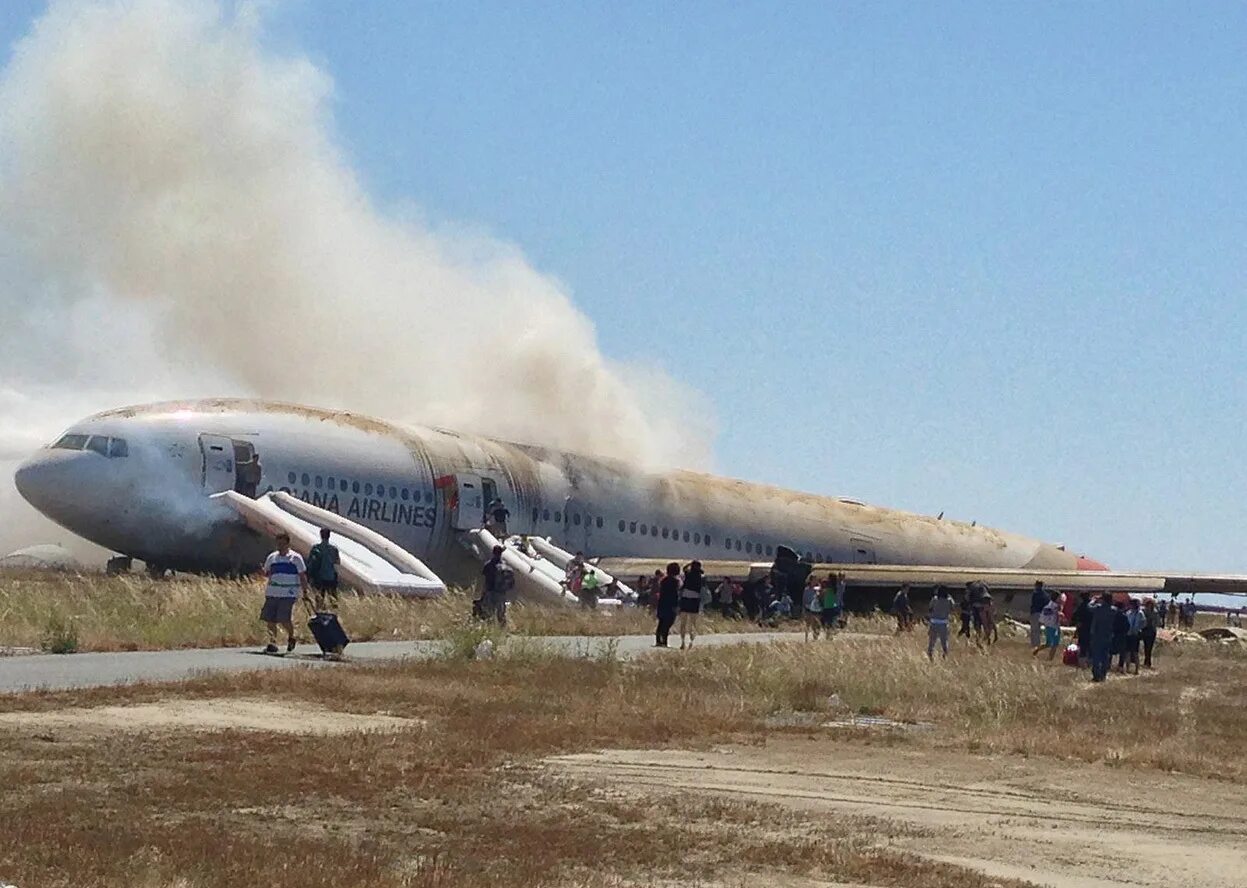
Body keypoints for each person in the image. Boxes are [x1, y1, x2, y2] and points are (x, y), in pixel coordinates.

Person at [260, 532, 307, 654]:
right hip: (273, 592)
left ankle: (292, 636)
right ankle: (272, 643)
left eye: (282, 543)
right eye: (278, 543)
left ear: (287, 543)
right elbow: (267, 572)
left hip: (288, 593)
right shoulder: (272, 557)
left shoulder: (295, 558)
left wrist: (305, 591)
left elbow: (302, 576)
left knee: (283, 618)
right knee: (270, 619)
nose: (279, 546)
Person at [305, 528, 341, 611]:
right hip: (330, 577)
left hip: (319, 577)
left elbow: (310, 562)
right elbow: (338, 562)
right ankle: (334, 615)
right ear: (329, 536)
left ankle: (320, 614)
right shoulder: (333, 549)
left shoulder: (316, 548)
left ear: (321, 535)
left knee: (319, 599)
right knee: (333, 599)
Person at [1089, 591, 1116, 682]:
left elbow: (1089, 607)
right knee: (1105, 656)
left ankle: (1096, 675)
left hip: (1097, 634)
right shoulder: (1113, 610)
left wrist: (1093, 600)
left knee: (1096, 655)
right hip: (1108, 635)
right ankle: (1103, 674)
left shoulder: (1098, 608)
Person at [678, 560, 705, 649]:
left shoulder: (688, 574)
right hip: (695, 599)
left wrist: (689, 563)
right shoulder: (701, 576)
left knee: (683, 622)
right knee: (693, 623)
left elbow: (684, 568)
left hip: (686, 597)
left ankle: (682, 642)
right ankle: (691, 642)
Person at [655, 562, 680, 647]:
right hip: (671, 605)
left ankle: (658, 640)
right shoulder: (675, 581)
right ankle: (664, 641)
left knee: (661, 622)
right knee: (668, 623)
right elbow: (675, 594)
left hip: (662, 603)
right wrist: (676, 605)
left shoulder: (663, 580)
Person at [1033, 589, 1063, 660]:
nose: (1061, 599)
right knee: (1052, 644)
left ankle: (1040, 652)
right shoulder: (1050, 607)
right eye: (1059, 598)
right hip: (1051, 627)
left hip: (1054, 626)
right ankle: (1049, 658)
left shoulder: (1057, 606)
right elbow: (1045, 614)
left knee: (1051, 644)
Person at [926, 586, 952, 660]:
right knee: (944, 642)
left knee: (932, 641)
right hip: (943, 623)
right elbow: (952, 608)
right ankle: (945, 656)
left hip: (934, 622)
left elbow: (930, 608)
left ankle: (930, 656)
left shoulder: (934, 599)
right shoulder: (949, 600)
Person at [1122, 598, 1145, 674]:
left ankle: (1137, 670)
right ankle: (1128, 669)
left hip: (1135, 635)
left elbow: (1144, 623)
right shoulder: (1128, 613)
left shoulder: (1140, 613)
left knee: (1135, 653)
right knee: (1127, 652)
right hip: (1128, 634)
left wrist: (1138, 629)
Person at [1072, 592, 1093, 668]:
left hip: (1082, 630)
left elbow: (1074, 617)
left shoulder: (1081, 607)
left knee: (1083, 647)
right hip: (1091, 630)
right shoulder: (1092, 607)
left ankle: (1082, 664)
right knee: (1090, 647)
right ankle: (1090, 663)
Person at [1028, 581, 1048, 649]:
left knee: (1034, 630)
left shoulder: (1035, 594)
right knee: (1039, 630)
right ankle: (1038, 643)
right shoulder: (1045, 595)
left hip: (1035, 612)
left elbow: (1033, 604)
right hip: (1042, 613)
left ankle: (1035, 644)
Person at [1140, 598, 1159, 670]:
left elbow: (1157, 622)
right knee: (1146, 646)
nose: (1149, 606)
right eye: (1148, 605)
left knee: (1150, 647)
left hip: (1152, 631)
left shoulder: (1155, 612)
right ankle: (1146, 661)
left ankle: (1148, 661)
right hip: (1145, 630)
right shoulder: (1144, 611)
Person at [802, 575, 822, 641]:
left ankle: (815, 637)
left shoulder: (818, 589)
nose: (814, 581)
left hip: (816, 609)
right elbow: (804, 600)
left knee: (816, 624)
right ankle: (806, 638)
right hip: (808, 609)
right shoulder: (807, 590)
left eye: (815, 580)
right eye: (813, 580)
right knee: (808, 624)